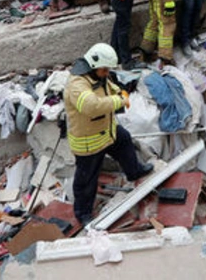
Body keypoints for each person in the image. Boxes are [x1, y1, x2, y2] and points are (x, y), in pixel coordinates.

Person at [64, 43, 153, 224]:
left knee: (125, 140)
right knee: (86, 180)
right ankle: (83, 214)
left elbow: (108, 85)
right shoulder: (77, 84)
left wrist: (119, 91)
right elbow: (92, 106)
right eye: (105, 70)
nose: (107, 73)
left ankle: (134, 171)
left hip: (107, 132)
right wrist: (119, 100)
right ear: (94, 65)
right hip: (89, 142)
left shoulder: (97, 75)